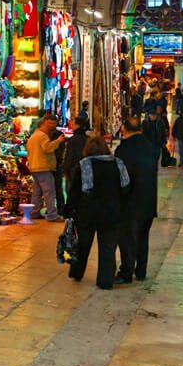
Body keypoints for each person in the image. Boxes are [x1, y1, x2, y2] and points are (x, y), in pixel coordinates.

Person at [65, 135, 130, 289]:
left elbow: (74, 191)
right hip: (112, 213)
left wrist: (69, 210)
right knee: (108, 249)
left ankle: (77, 272)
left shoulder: (84, 165)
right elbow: (126, 188)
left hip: (88, 213)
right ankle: (105, 281)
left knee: (83, 245)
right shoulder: (118, 163)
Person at [115, 116, 160, 283]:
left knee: (128, 239)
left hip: (131, 202)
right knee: (143, 237)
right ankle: (141, 271)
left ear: (125, 129)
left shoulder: (124, 149)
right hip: (148, 201)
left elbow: (122, 177)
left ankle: (126, 272)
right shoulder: (151, 147)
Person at [25, 114, 66, 222]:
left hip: (35, 167)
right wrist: (58, 141)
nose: (51, 128)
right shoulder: (42, 136)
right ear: (43, 124)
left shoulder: (33, 136)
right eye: (49, 125)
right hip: (43, 167)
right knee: (49, 191)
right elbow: (47, 148)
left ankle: (34, 212)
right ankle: (52, 215)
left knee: (37, 192)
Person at [60, 114, 92, 205]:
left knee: (71, 193)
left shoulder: (73, 140)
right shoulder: (88, 139)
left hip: (74, 170)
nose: (71, 125)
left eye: (73, 124)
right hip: (87, 169)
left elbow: (69, 156)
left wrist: (65, 170)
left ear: (77, 125)